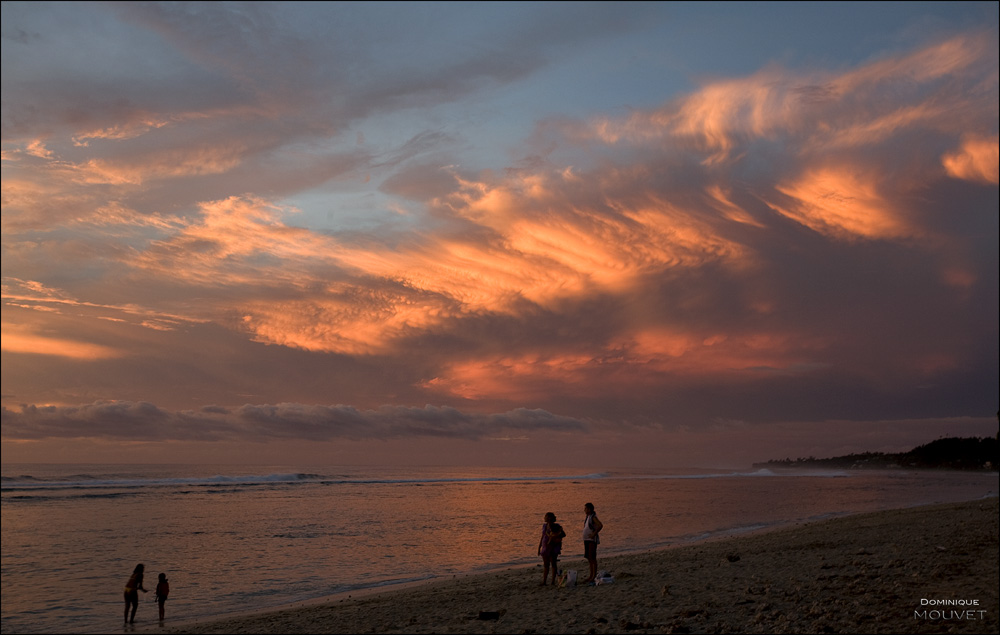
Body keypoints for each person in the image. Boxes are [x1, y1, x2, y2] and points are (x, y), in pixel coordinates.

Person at [537, 512, 565, 585]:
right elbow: (542, 536)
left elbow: (563, 534)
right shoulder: (544, 526)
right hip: (545, 547)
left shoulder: (556, 526)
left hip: (553, 547)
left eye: (545, 517)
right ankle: (544, 581)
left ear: (549, 518)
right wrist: (539, 547)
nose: (544, 518)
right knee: (546, 565)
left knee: (553, 563)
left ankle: (552, 581)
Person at [581, 502, 603, 584]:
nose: (584, 510)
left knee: (593, 558)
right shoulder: (588, 517)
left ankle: (593, 576)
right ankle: (591, 575)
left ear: (589, 509)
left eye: (586, 508)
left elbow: (600, 525)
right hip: (587, 540)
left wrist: (594, 534)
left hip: (591, 541)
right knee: (589, 558)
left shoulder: (593, 517)